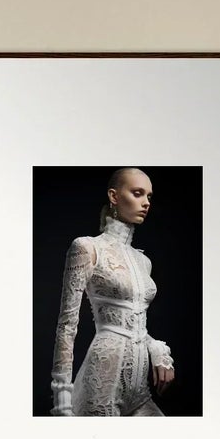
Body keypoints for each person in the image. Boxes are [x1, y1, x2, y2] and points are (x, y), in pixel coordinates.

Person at [49, 168, 176, 416]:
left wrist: (157, 349)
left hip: (140, 390)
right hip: (102, 382)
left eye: (149, 196)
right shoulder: (87, 247)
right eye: (137, 193)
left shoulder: (143, 261)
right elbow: (67, 325)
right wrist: (61, 399)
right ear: (114, 196)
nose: (145, 202)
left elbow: (134, 323)